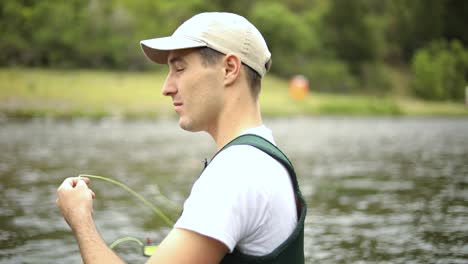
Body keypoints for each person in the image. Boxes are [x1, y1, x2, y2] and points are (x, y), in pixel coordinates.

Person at [56, 12, 306, 263]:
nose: (167, 88)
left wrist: (81, 220)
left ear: (229, 69)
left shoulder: (235, 171)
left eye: (179, 68)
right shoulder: (263, 157)